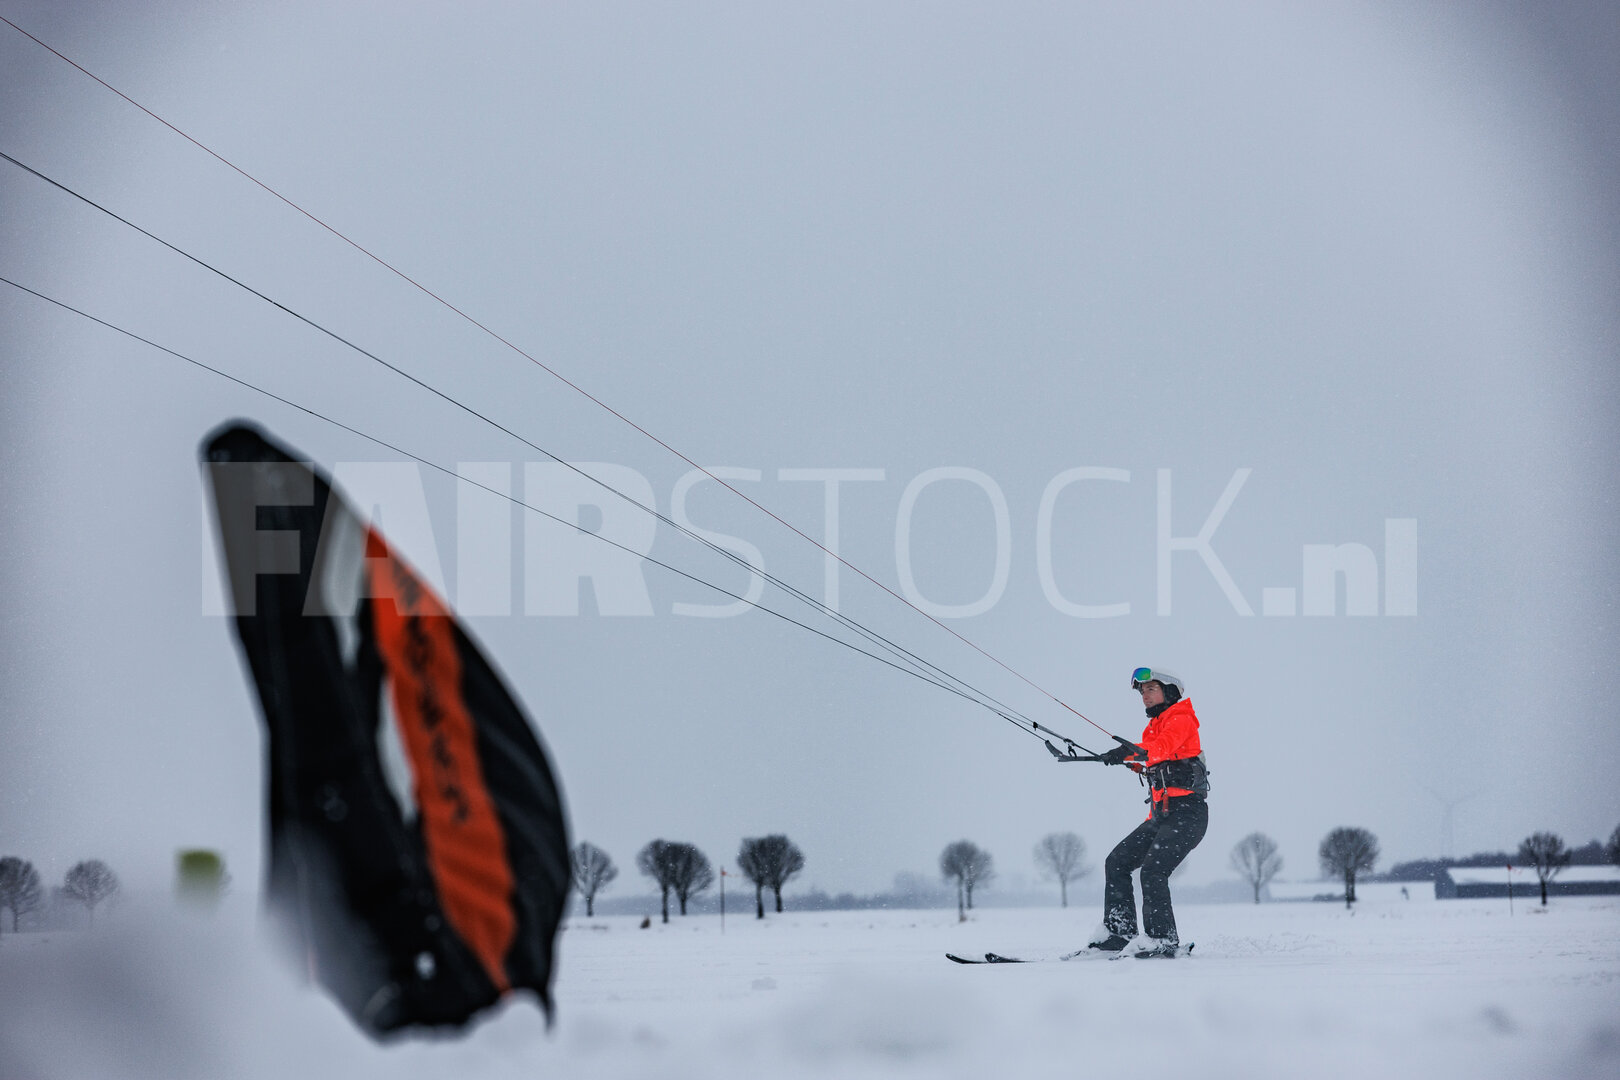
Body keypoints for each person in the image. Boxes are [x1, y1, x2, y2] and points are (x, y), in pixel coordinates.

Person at [1085, 667, 1209, 958]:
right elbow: (1152, 756)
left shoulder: (1182, 718)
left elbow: (1160, 748)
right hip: (1162, 815)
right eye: (1141, 692)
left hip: (1188, 815)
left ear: (1169, 691)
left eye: (1150, 689)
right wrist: (1124, 759)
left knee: (1154, 872)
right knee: (1116, 862)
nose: (1144, 696)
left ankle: (1162, 940)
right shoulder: (1154, 727)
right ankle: (1118, 934)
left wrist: (1128, 753)